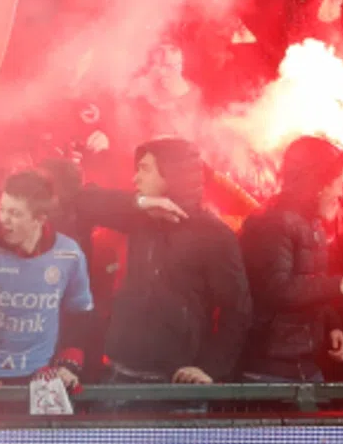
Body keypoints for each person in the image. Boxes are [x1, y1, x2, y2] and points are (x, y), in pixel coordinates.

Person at [81, 139, 252, 386]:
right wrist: (139, 203)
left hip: (178, 383)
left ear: (172, 175)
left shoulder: (214, 234)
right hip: (120, 374)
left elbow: (237, 310)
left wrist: (209, 369)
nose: (135, 179)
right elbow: (84, 200)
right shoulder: (138, 217)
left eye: (144, 169)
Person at [240, 137, 343, 383]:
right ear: (319, 185)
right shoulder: (273, 222)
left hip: (302, 365)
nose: (340, 193)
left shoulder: (312, 224)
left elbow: (309, 285)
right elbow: (276, 288)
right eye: (339, 184)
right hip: (267, 369)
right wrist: (340, 285)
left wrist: (331, 325)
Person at [0, 170, 93, 393]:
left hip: (41, 376)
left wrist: (67, 365)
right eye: (2, 209)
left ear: (40, 219)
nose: (4, 219)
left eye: (15, 213)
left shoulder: (69, 254)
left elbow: (80, 316)